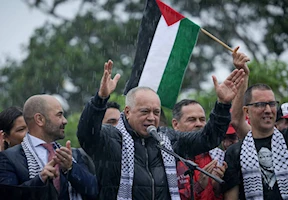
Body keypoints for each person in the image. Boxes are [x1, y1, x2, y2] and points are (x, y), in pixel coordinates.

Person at [77, 59, 245, 200]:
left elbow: (208, 139)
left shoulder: (166, 138)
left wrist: (222, 105)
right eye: (145, 111)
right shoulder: (110, 137)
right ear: (128, 112)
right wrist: (100, 99)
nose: (151, 118)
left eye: (156, 112)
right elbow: (86, 134)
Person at [223, 48, 288, 199]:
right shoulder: (234, 152)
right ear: (247, 111)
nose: (268, 110)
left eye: (272, 104)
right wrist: (244, 76)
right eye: (260, 104)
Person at [0, 95, 98, 200]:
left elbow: (94, 191)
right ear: (40, 119)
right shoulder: (9, 158)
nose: (65, 121)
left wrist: (71, 168)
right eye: (59, 115)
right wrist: (40, 180)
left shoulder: (72, 155)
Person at [172, 99, 226, 200]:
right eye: (191, 120)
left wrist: (217, 187)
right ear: (175, 125)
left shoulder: (218, 155)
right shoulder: (169, 156)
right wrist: (198, 186)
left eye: (202, 119)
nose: (199, 124)